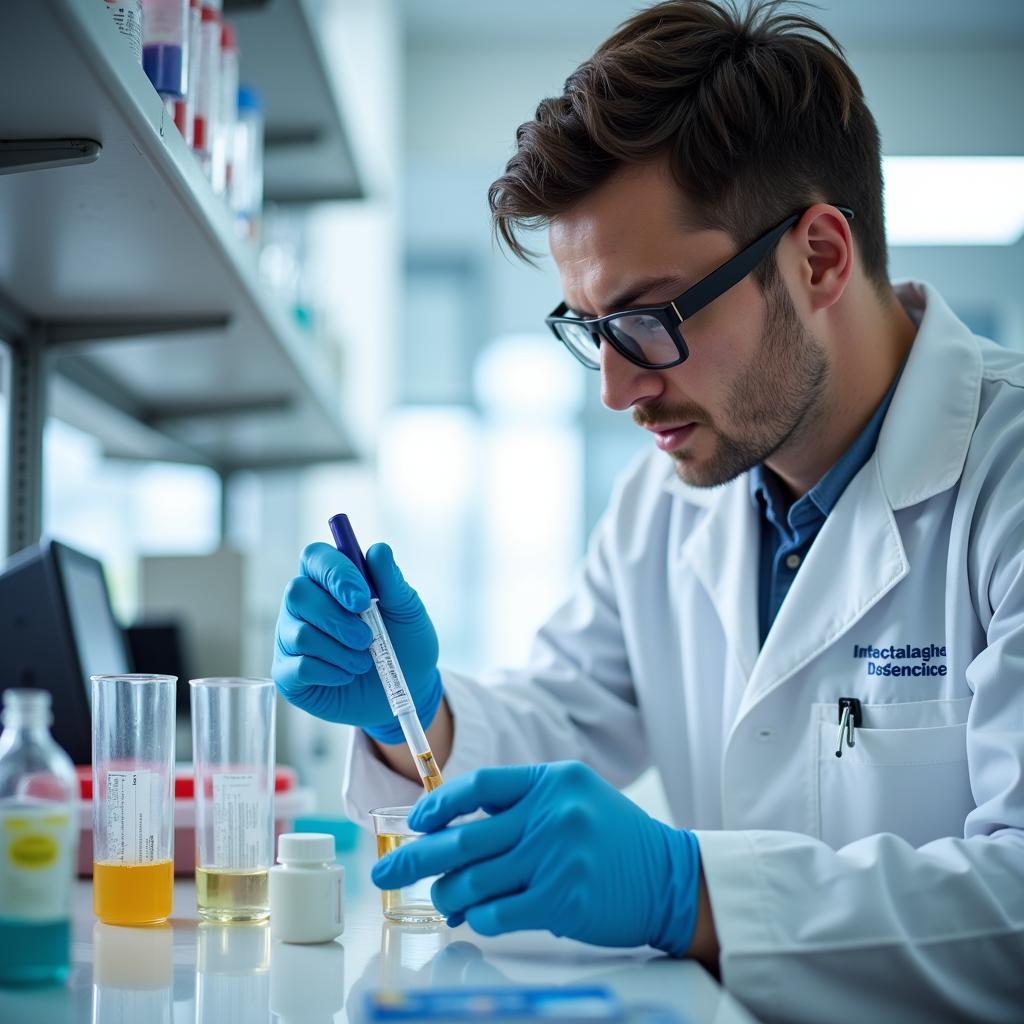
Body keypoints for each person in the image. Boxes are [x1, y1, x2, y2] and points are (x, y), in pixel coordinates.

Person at [272, 2, 1024, 1021]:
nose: (617, 391)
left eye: (648, 320)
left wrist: (691, 889)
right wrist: (415, 715)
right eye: (590, 331)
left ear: (817, 257)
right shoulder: (667, 506)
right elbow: (562, 722)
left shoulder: (1004, 479)